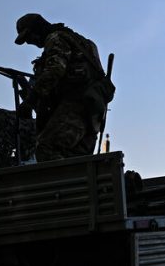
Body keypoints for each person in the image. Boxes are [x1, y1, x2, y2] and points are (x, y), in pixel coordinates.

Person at [14, 13, 111, 162]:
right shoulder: (84, 43)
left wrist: (30, 102)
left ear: (37, 29)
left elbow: (55, 70)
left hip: (76, 106)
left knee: (47, 149)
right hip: (93, 112)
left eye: (29, 37)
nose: (29, 42)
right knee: (77, 159)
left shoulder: (56, 39)